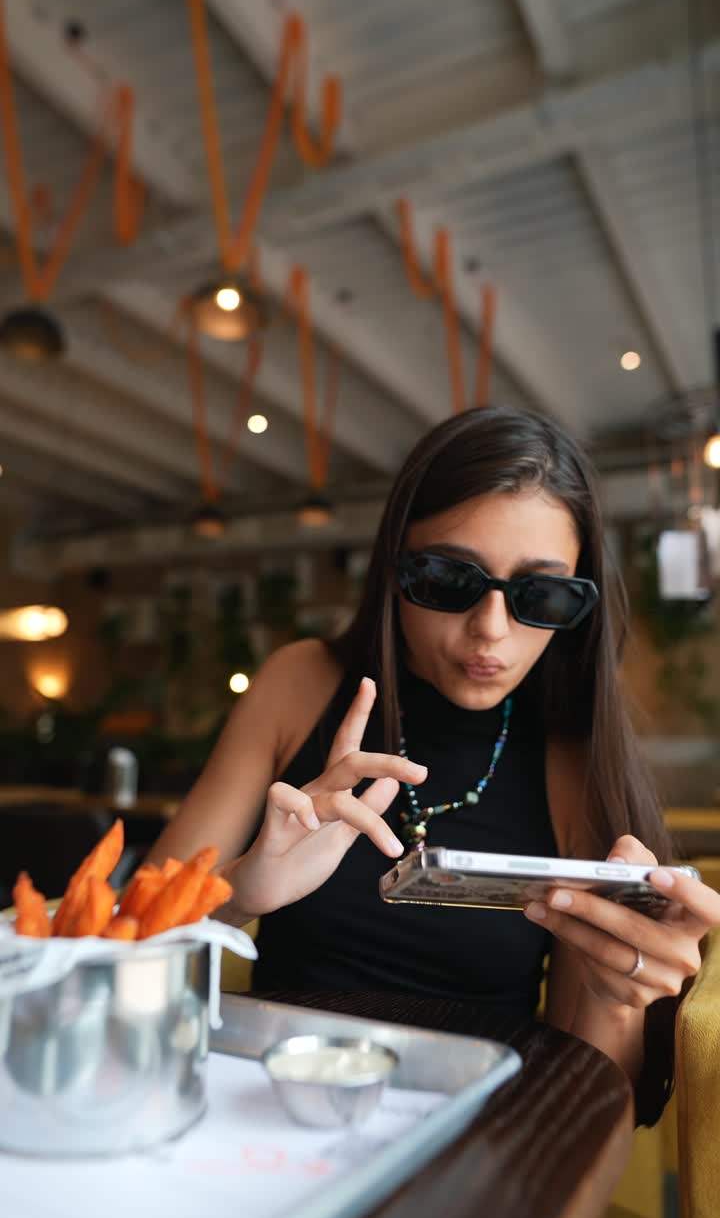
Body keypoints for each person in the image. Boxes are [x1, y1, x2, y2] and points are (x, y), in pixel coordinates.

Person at [150, 406, 720, 1124]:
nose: (490, 631)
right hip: (269, 1103)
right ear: (395, 570)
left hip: (474, 1126)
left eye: (539, 596)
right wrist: (240, 889)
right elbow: (131, 927)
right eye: (450, 580)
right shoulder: (301, 683)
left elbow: (601, 1097)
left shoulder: (574, 759)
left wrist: (618, 996)